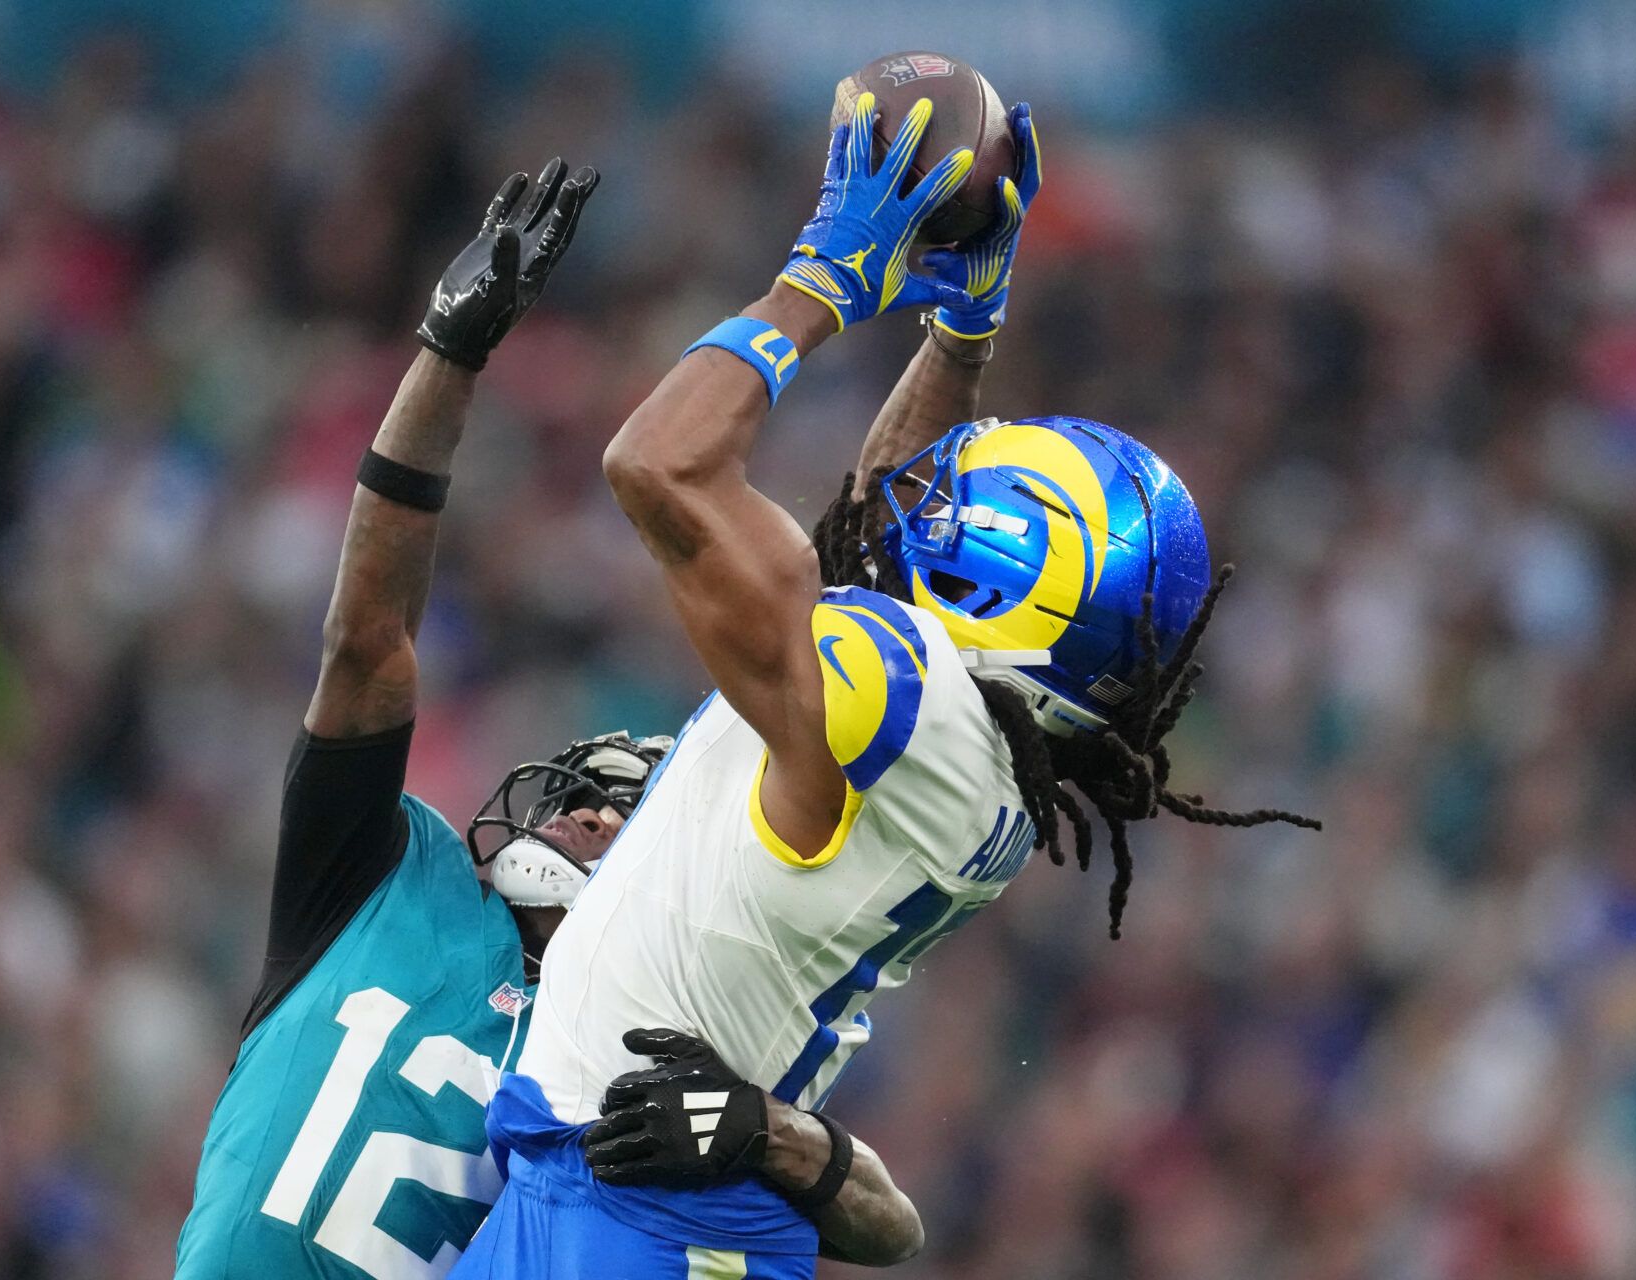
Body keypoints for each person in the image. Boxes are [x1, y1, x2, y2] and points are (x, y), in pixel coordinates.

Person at [454, 92, 1319, 1277]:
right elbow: (870, 531)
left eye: (960, 498)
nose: (924, 496)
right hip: (636, 1201)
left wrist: (828, 272)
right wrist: (961, 332)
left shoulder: (902, 695)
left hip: (636, 1223)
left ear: (1010, 573)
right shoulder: (974, 733)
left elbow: (657, 465)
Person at [173, 158, 922, 1280]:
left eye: (620, 809)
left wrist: (764, 1130)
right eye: (582, 792)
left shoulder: (660, 1018)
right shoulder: (387, 878)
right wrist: (447, 355)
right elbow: (367, 640)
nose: (580, 813)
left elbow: (889, 1226)